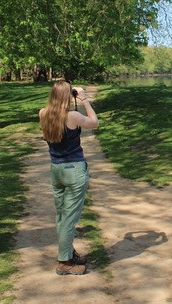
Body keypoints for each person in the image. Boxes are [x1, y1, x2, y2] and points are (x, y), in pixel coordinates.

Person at [39, 80, 98, 275]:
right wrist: (84, 99)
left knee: (62, 215)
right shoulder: (72, 116)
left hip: (56, 169)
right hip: (74, 170)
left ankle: (68, 252)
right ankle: (64, 263)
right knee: (69, 218)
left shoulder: (43, 113)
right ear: (68, 96)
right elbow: (94, 122)